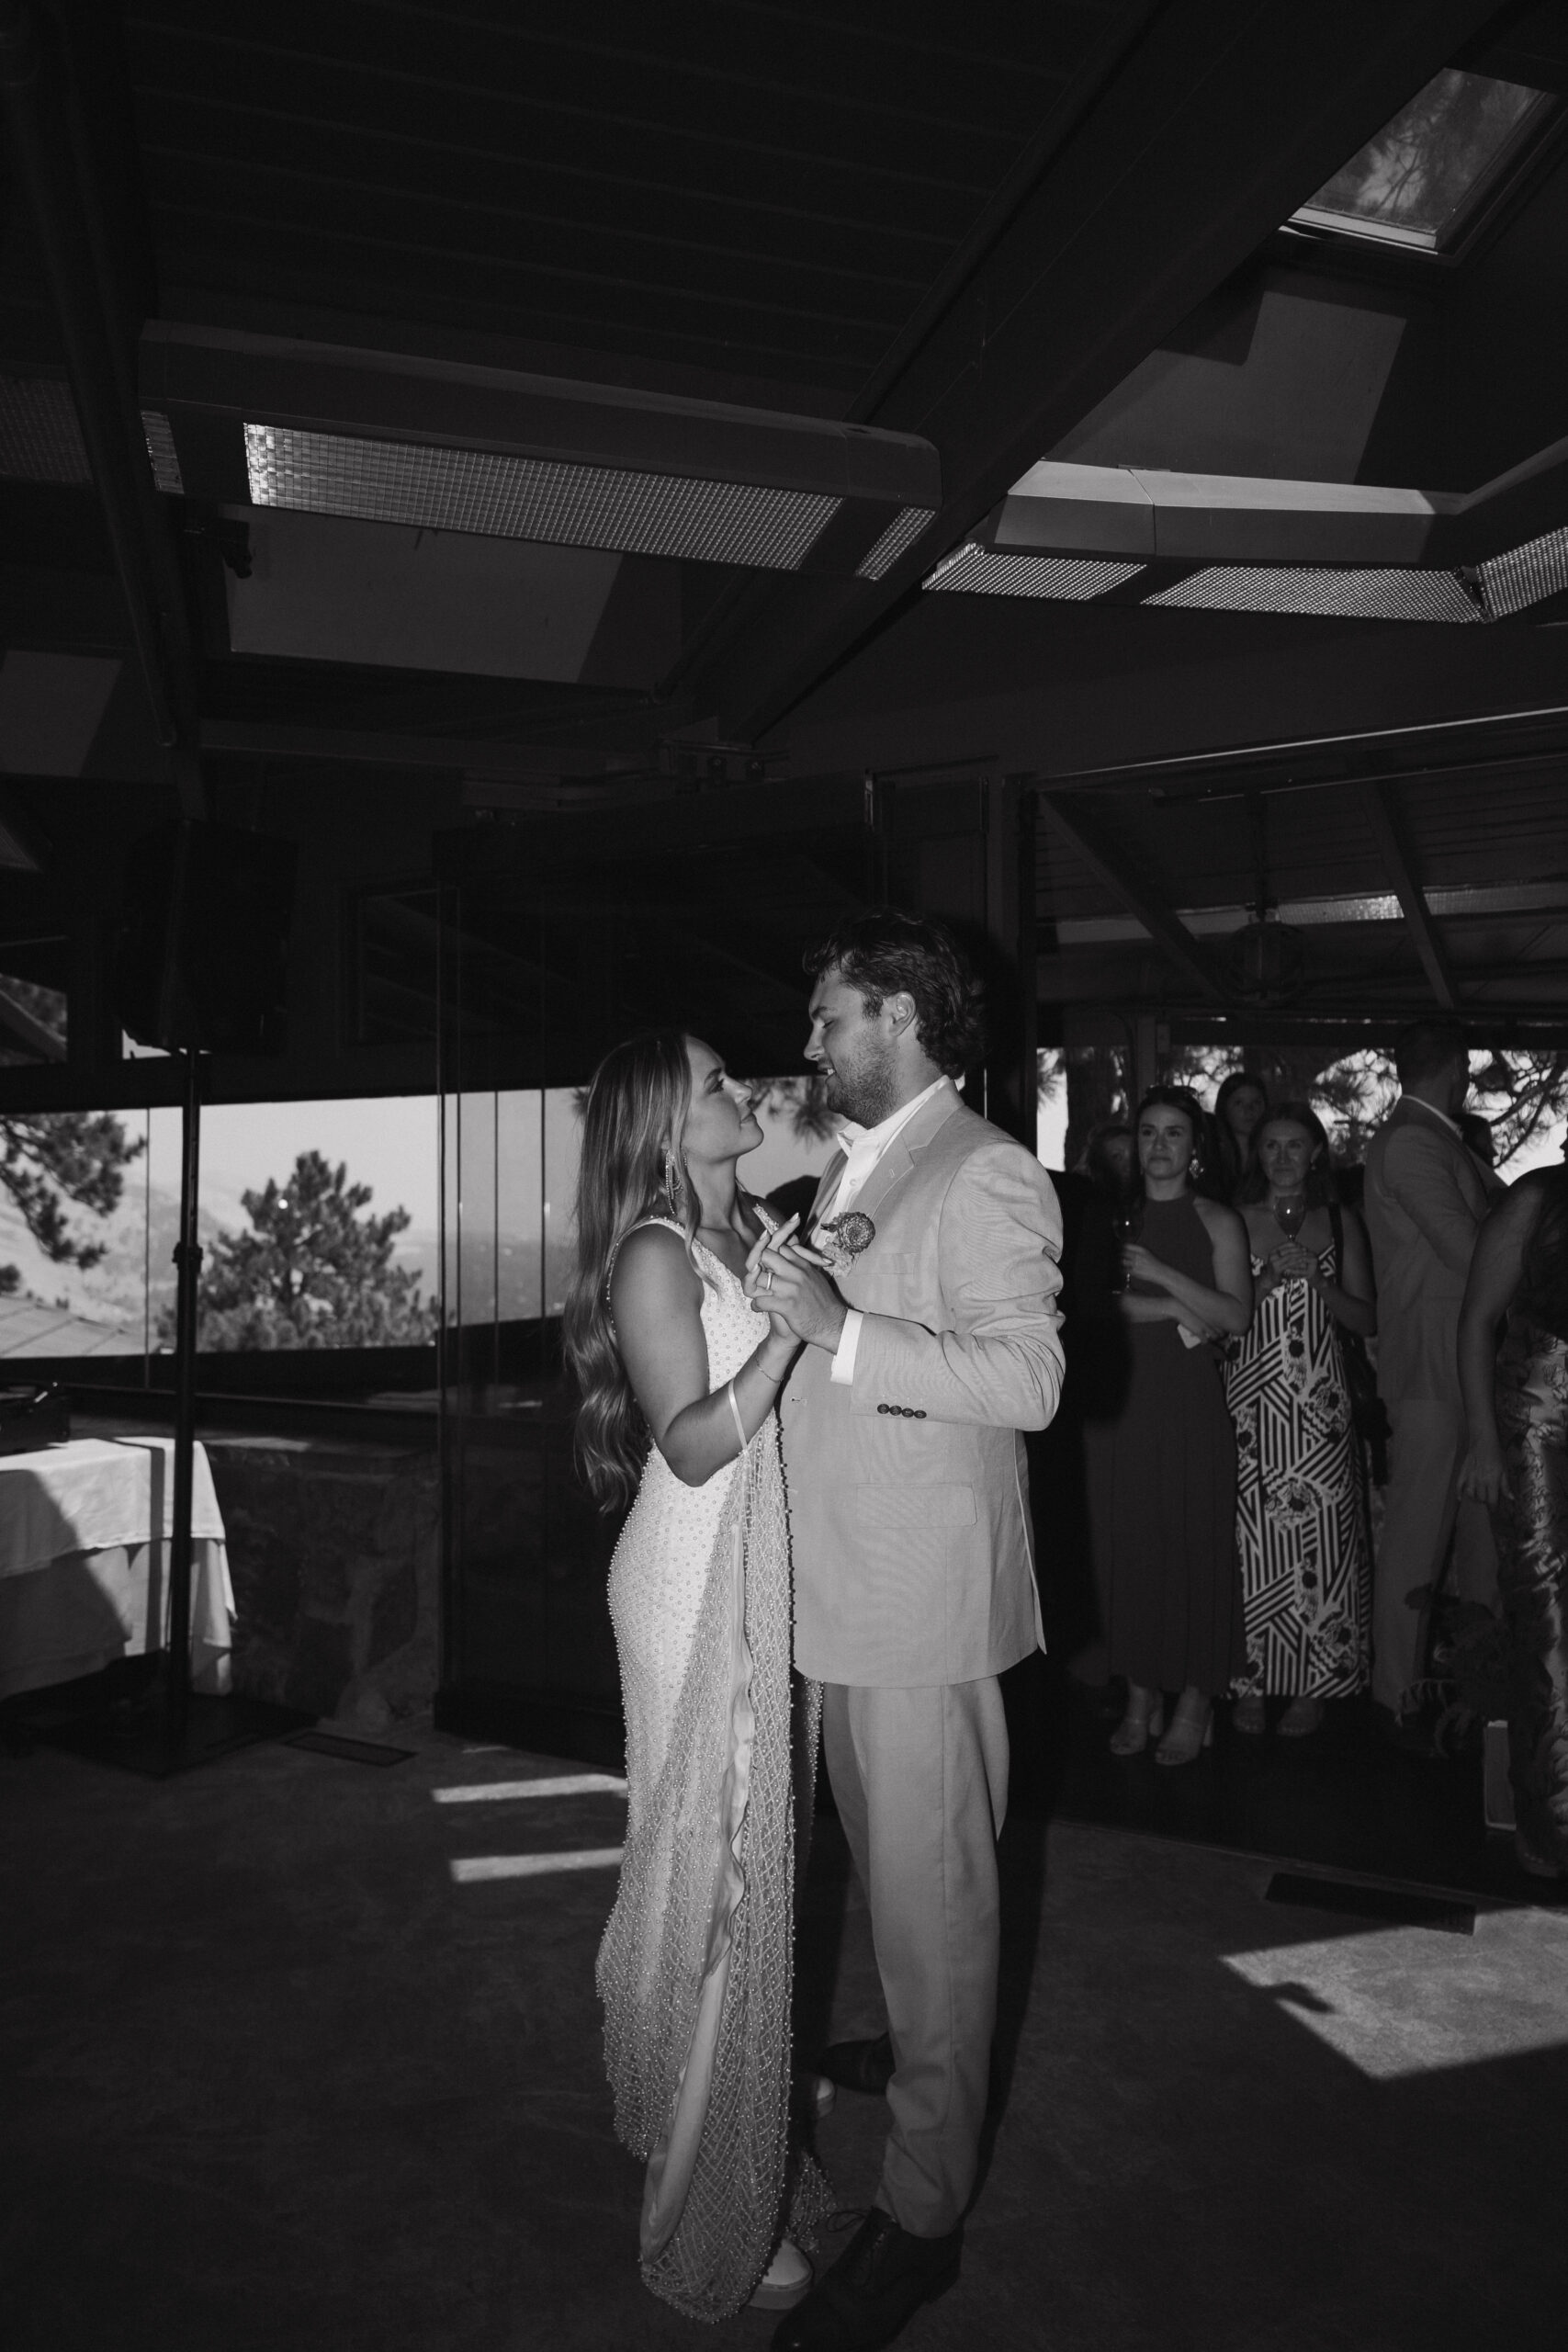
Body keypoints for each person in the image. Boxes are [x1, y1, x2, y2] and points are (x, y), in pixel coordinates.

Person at [740, 910, 1064, 2352]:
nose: (808, 1044)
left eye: (827, 1019)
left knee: (939, 1920)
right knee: (890, 1885)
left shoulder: (986, 1170)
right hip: (831, 1596)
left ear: (900, 1019)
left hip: (922, 1615)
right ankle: (914, 2049)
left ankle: (921, 2220)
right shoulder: (844, 1168)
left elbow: (1028, 1380)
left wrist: (833, 1325)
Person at [562, 1030, 827, 2320]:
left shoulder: (752, 1230)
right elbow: (690, 1442)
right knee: (709, 1874)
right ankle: (695, 2187)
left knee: (752, 1856)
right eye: (717, 1085)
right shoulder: (655, 1253)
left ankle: (737, 2104)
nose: (742, 1096)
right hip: (683, 1575)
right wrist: (784, 1335)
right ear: (670, 1123)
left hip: (763, 1568)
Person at [1084, 1086, 1253, 1763]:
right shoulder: (1110, 1216)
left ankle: (1195, 1699)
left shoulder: (1218, 1219)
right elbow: (1091, 1308)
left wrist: (1157, 1277)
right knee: (1126, 1550)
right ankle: (1140, 1692)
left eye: (1173, 1133)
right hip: (1119, 1399)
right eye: (1148, 1132)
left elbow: (1235, 1317)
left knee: (1191, 1543)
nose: (1159, 1145)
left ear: (1195, 1145)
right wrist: (1180, 1311)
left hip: (1185, 1403)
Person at [1362, 1020, 1501, 1732]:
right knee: (1419, 1537)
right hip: (1431, 1364)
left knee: (1482, 1534)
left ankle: (1480, 1687)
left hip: (1462, 1365)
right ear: (1456, 1069)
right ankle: (1397, 1695)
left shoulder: (1434, 1138)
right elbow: (1468, 1248)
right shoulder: (1414, 1141)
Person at [1226, 1103, 1376, 1736]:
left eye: (1295, 1146)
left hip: (1319, 1409)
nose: (1282, 1157)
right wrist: (1261, 1289)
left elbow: (1367, 1319)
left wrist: (1316, 1280)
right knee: (1249, 1543)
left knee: (1324, 1541)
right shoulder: (1233, 1220)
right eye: (1270, 1146)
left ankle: (1315, 1683)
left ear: (1316, 1152)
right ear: (1255, 1154)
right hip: (1251, 1404)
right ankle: (1249, 1682)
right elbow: (1220, 1316)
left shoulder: (1340, 1222)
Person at [1457, 1166, 1568, 1879]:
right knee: (1546, 1612)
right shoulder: (1536, 1197)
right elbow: (1474, 1322)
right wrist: (1481, 1440)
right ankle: (1553, 1816)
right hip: (1536, 1414)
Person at [1214, 1069, 1269, 1198]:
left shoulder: (1273, 1157)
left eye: (1256, 1103)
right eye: (1239, 1103)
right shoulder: (1213, 1158)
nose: (1249, 1110)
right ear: (1225, 1108)